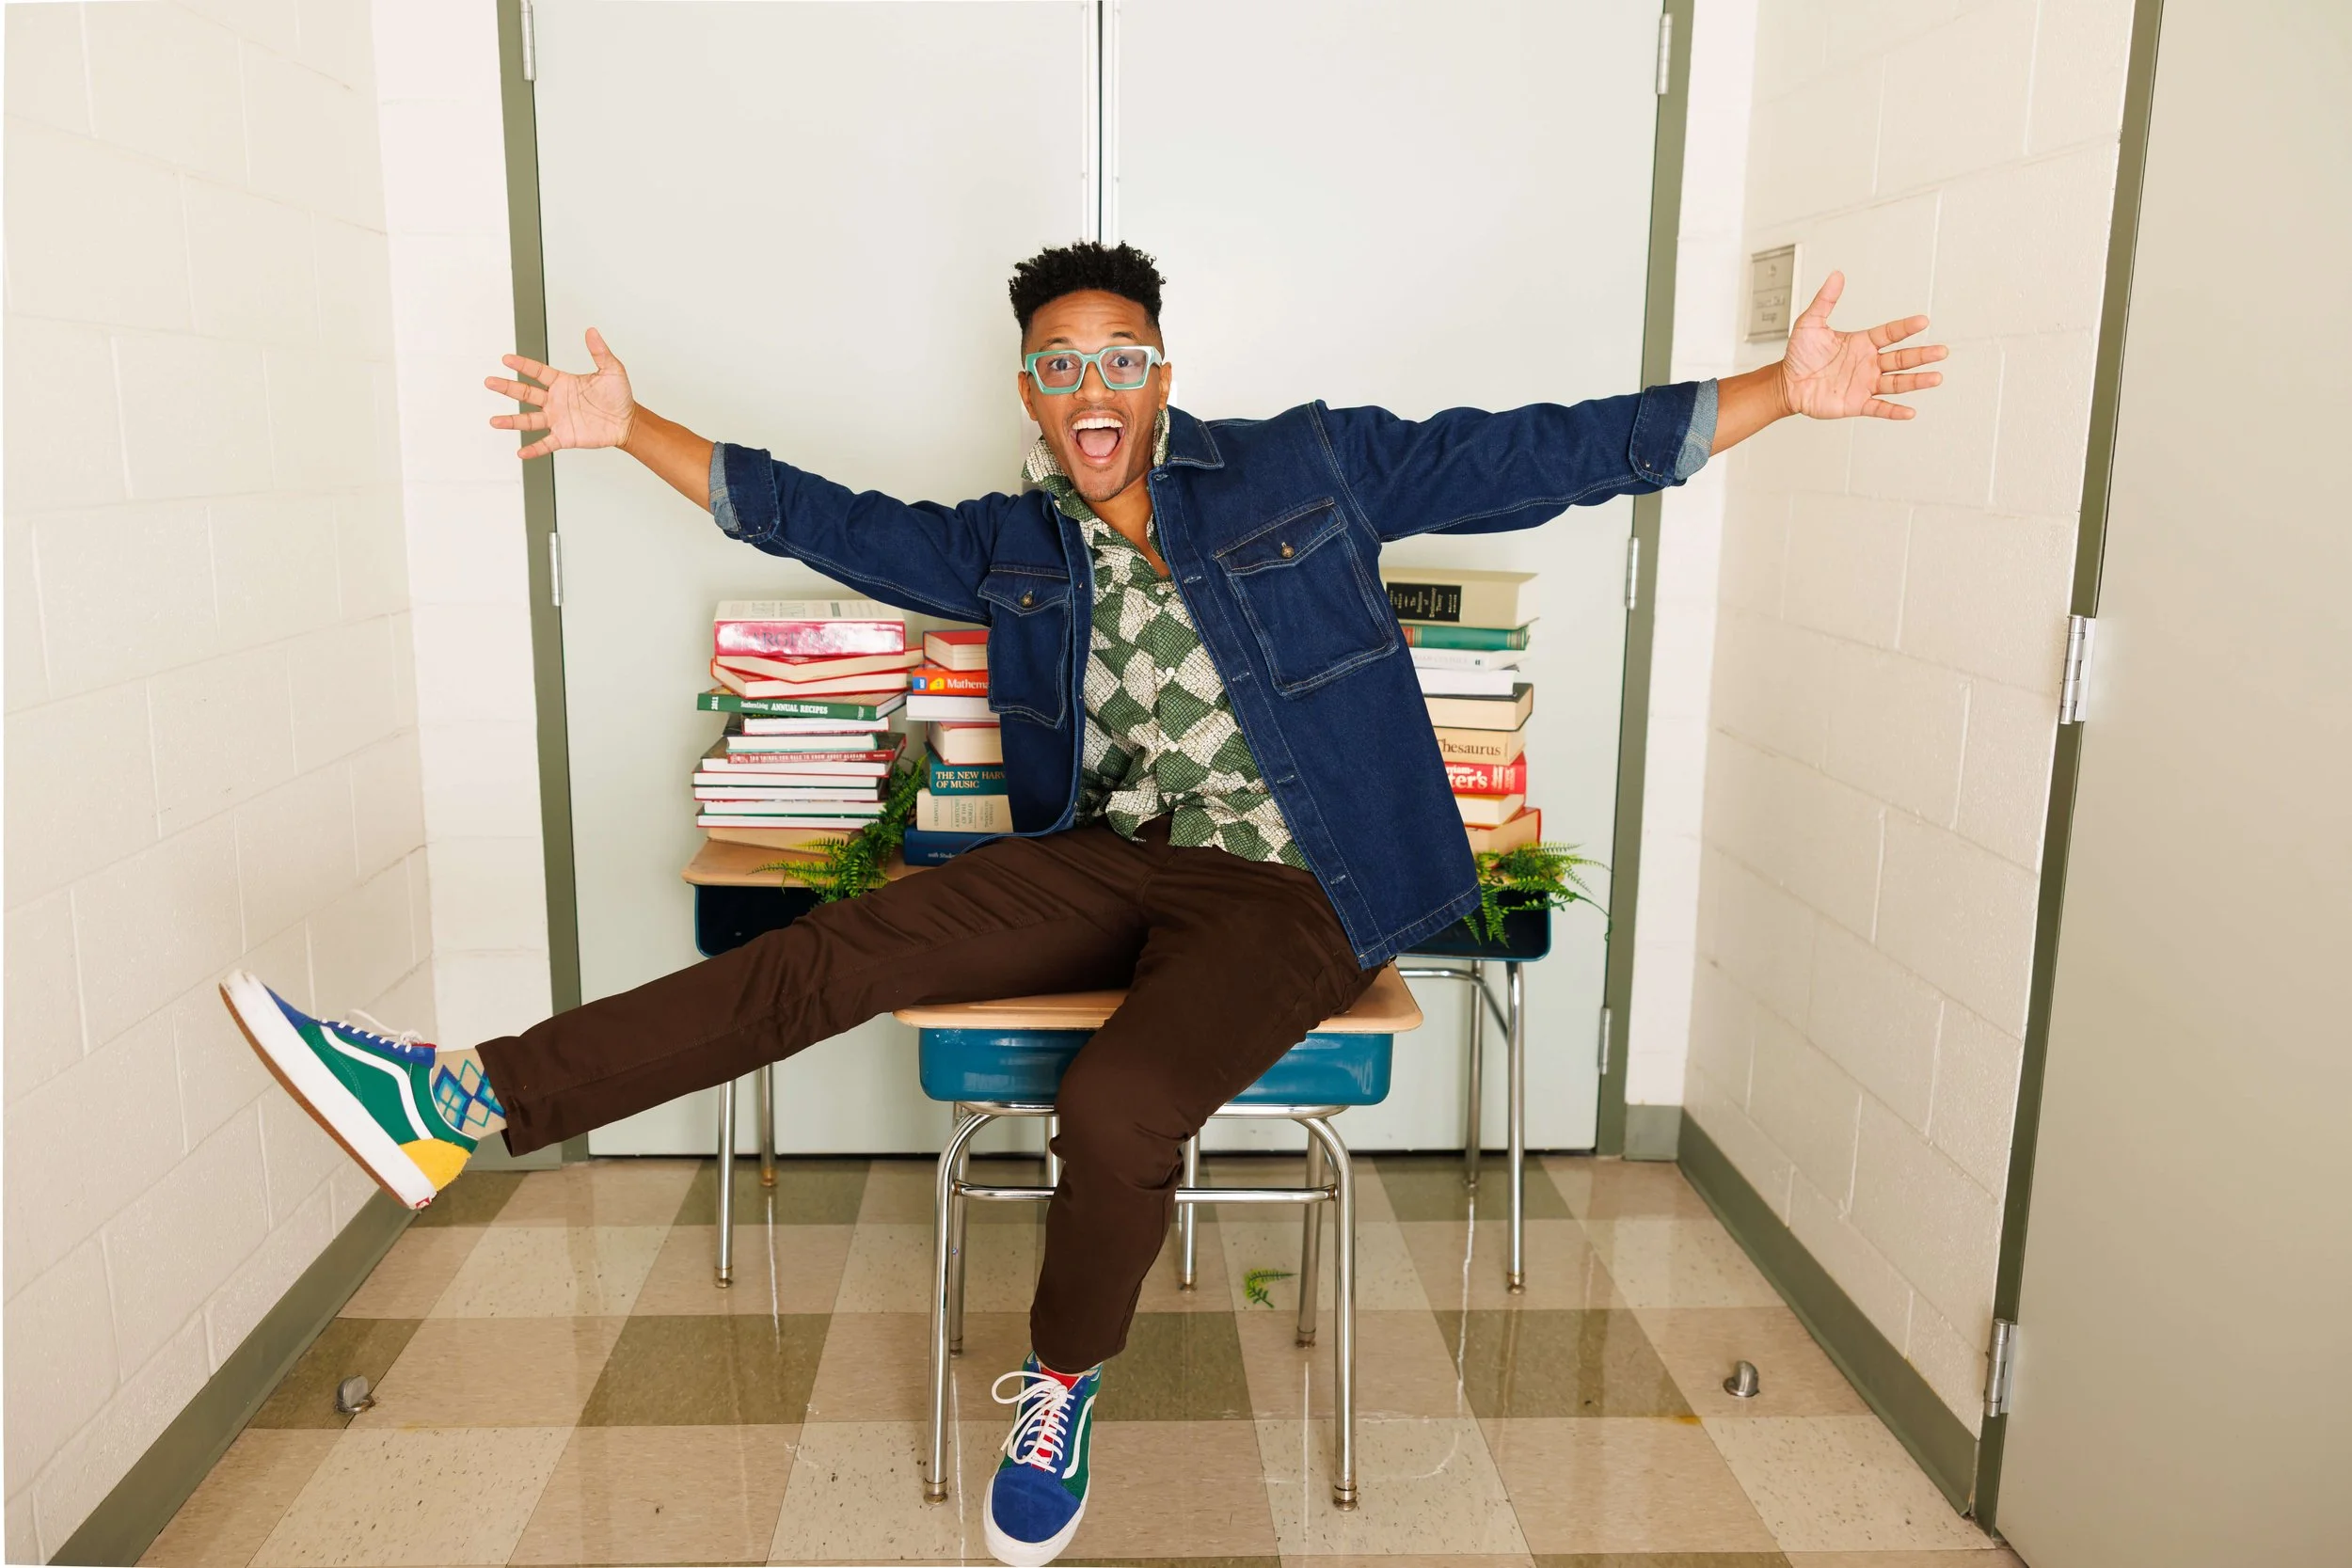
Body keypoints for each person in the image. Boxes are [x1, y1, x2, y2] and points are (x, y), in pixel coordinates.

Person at [219, 241, 1942, 1568]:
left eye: (1117, 354)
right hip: (1112, 855)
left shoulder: (1306, 470)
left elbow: (1556, 451)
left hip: (1298, 878)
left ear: (1162, 373)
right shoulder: (1010, 542)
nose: (1089, 383)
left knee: (1118, 1098)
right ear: (1033, 392)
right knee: (836, 948)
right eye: (1059, 364)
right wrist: (623, 429)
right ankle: (461, 1103)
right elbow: (820, 516)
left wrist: (1783, 387)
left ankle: (1060, 1392)